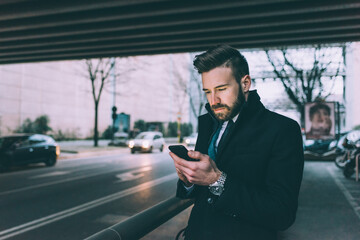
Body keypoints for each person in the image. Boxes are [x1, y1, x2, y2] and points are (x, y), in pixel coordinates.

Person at [169, 45, 304, 240]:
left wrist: (217, 180)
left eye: (221, 89)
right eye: (208, 91)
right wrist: (188, 179)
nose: (214, 100)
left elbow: (282, 214)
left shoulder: (283, 130)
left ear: (245, 83)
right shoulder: (208, 124)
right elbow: (199, 193)